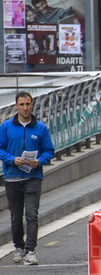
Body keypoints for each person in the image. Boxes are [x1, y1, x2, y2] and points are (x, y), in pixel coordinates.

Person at [0, 92, 54, 266]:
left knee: (32, 215)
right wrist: (11, 159)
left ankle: (31, 250)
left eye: (28, 104)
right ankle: (19, 247)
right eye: (22, 104)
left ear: (32, 105)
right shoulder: (6, 127)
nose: (25, 108)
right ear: (16, 106)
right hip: (12, 177)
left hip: (33, 177)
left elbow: (49, 150)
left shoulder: (41, 128)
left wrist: (39, 162)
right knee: (16, 217)